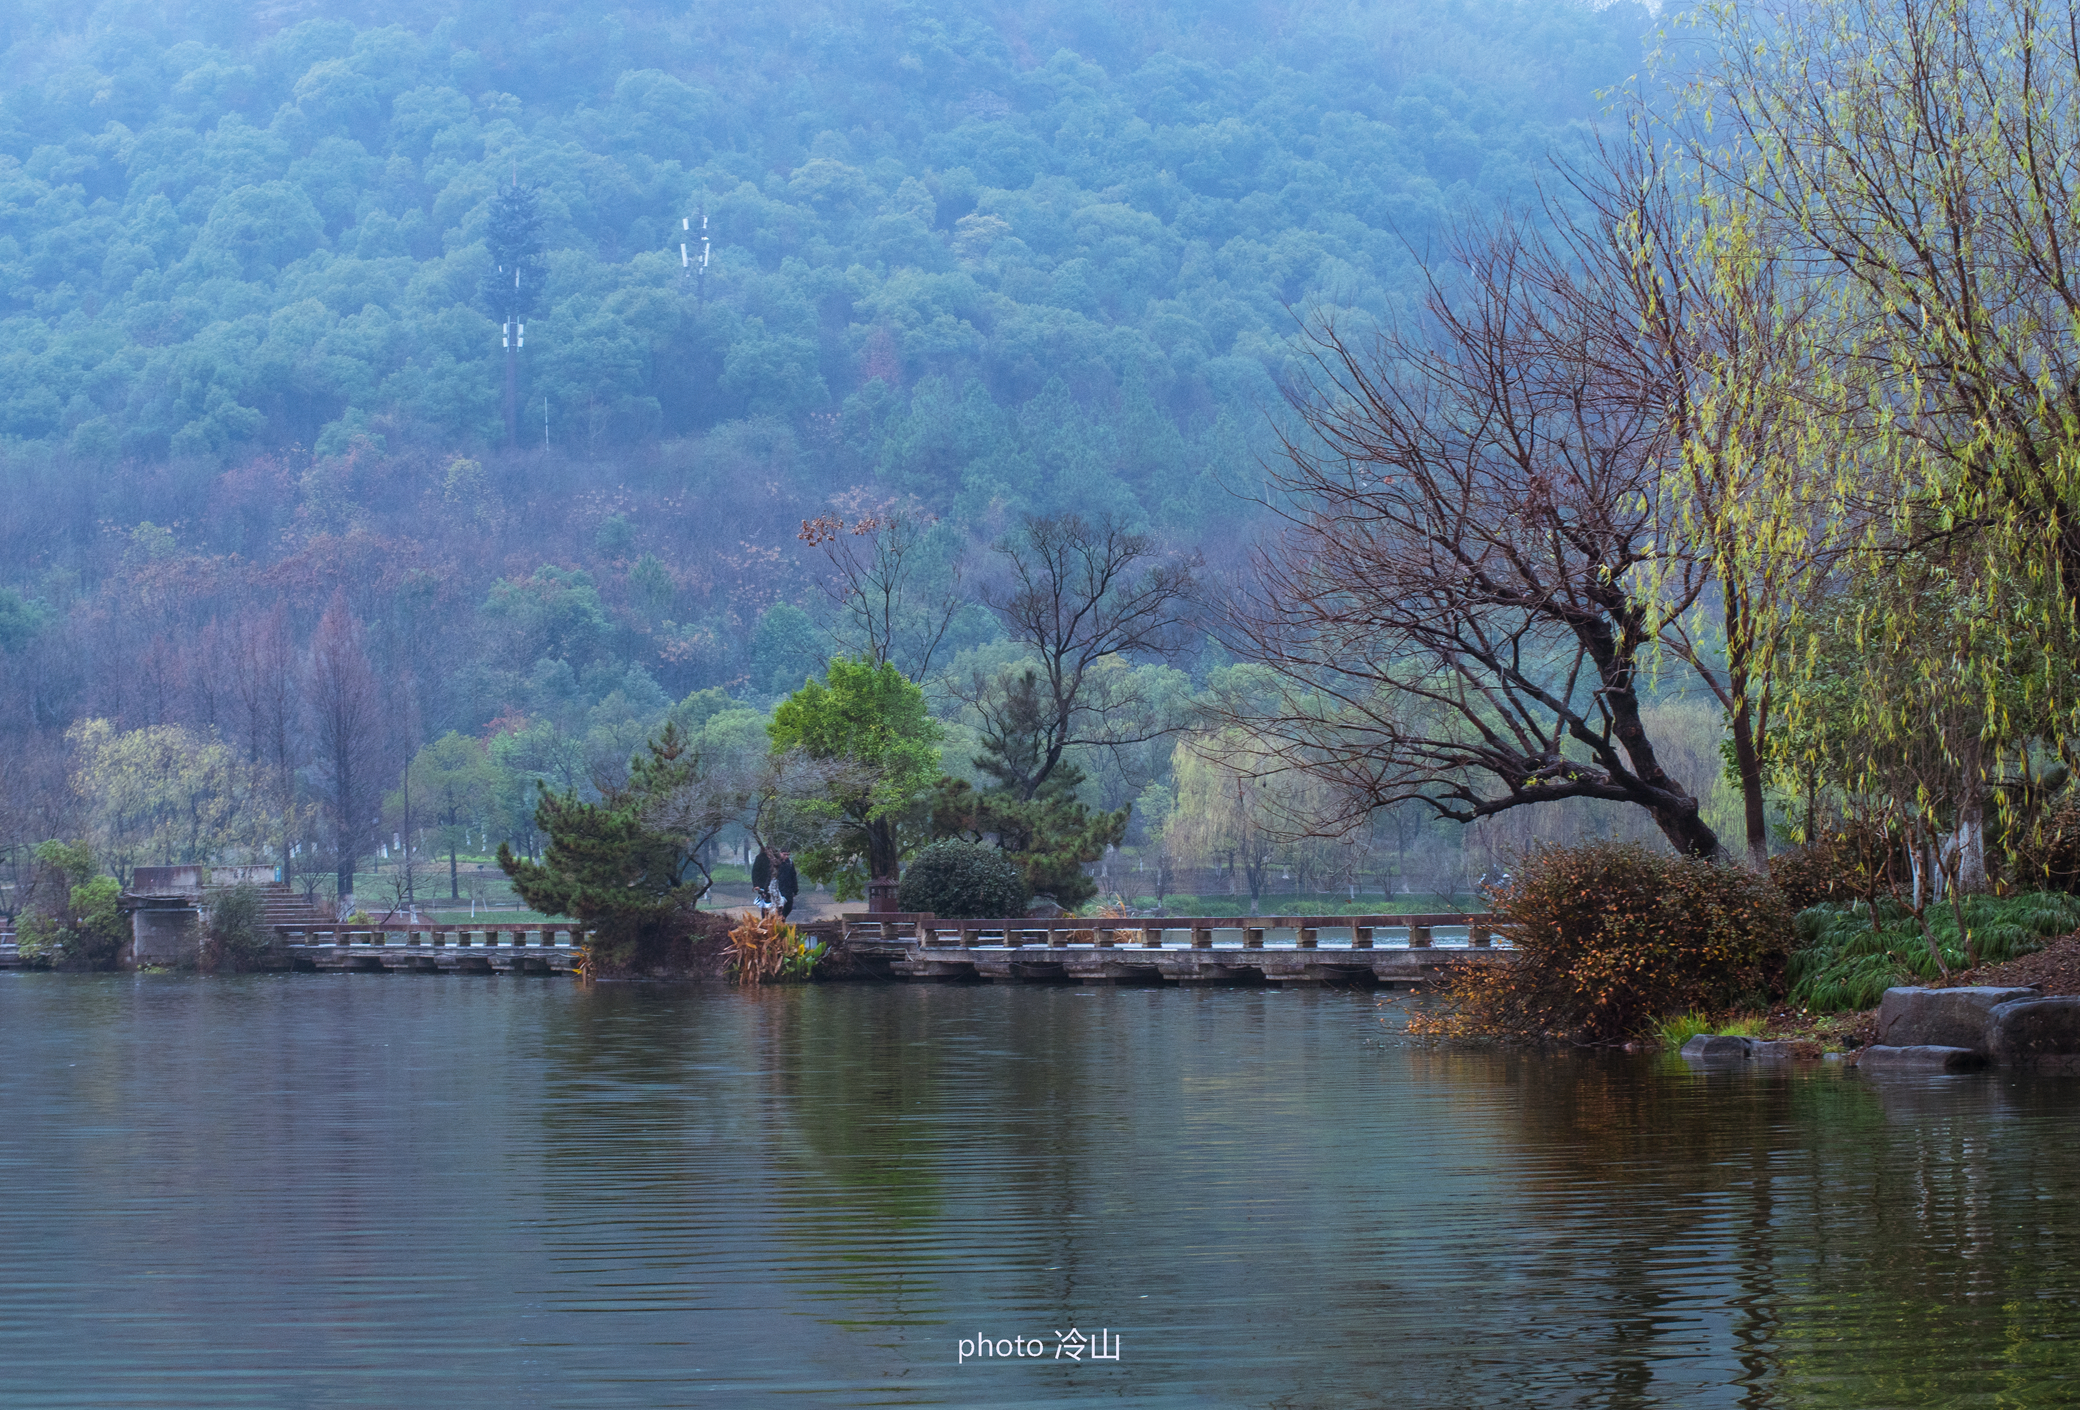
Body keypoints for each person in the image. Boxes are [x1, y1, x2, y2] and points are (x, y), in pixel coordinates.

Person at [775, 850, 799, 920]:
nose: (786, 856)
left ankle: (783, 917)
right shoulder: (775, 863)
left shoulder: (790, 863)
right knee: (778, 906)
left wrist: (795, 890)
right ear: (780, 853)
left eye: (788, 855)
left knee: (789, 905)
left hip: (788, 888)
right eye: (784, 854)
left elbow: (793, 876)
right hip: (777, 888)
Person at [751, 845, 773, 909]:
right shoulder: (760, 858)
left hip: (772, 883)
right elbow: (755, 872)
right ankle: (765, 917)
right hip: (762, 884)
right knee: (765, 901)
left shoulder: (775, 859)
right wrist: (756, 884)